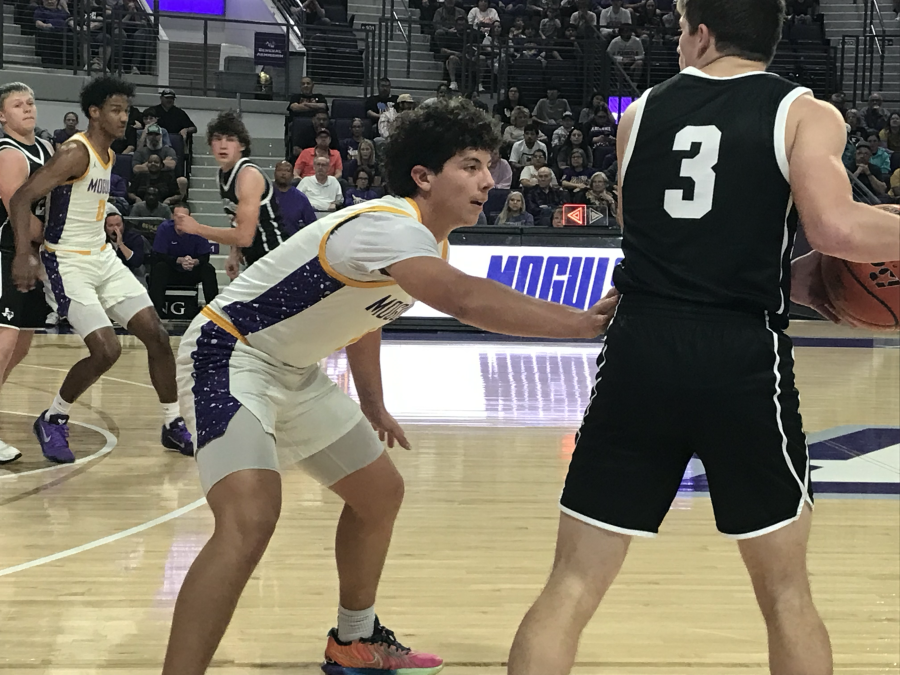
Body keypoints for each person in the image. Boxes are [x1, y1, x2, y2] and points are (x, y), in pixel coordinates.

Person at [507, 0, 900, 673]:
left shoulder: (638, 114)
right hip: (739, 353)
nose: (677, 43)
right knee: (786, 595)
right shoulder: (805, 112)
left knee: (569, 585)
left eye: (681, 29)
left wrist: (790, 276)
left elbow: (668, 239)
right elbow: (835, 228)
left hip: (639, 346)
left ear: (704, 34)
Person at [160, 98, 616, 675]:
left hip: (292, 371)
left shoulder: (426, 241)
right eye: (470, 166)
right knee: (248, 520)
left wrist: (373, 404)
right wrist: (579, 323)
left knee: (379, 493)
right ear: (423, 176)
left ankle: (354, 640)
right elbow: (465, 300)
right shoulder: (387, 225)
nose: (487, 180)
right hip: (230, 353)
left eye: (489, 166)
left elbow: (365, 317)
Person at [9, 75, 193, 463]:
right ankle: (53, 418)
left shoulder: (107, 153)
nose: (124, 117)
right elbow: (21, 198)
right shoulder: (75, 153)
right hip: (67, 262)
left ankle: (172, 422)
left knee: (158, 337)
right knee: (107, 349)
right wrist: (24, 253)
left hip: (101, 256)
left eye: (126, 110)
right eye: (115, 110)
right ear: (94, 113)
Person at [0, 82, 55, 464]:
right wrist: (57, 237)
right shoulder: (9, 153)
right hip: (8, 252)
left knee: (20, 345)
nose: (27, 108)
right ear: (3, 116)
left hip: (32, 255)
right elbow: (18, 213)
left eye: (31, 102)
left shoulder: (46, 149)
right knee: (4, 342)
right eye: (18, 104)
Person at [173, 112, 290, 283]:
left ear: (242, 145)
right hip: (257, 261)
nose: (223, 145)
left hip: (276, 259)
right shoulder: (221, 175)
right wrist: (234, 253)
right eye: (217, 139)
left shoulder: (248, 175)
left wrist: (197, 229)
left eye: (230, 139)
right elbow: (236, 218)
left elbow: (244, 236)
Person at [149, 205, 219, 313]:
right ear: (172, 216)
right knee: (159, 268)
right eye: (178, 216)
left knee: (208, 269)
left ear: (190, 217)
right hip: (171, 270)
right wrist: (179, 260)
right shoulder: (164, 228)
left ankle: (214, 310)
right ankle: (156, 311)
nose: (181, 220)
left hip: (191, 271)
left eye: (184, 217)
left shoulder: (198, 230)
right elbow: (159, 255)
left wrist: (194, 262)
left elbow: (205, 256)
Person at [272, 160, 316, 236]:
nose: (283, 173)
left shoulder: (300, 198)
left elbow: (312, 224)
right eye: (280, 170)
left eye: (287, 171)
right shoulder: (265, 194)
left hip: (292, 239)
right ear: (274, 173)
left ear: (292, 176)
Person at [104, 206, 147, 282]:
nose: (115, 229)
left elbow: (136, 262)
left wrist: (120, 244)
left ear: (123, 225)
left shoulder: (135, 238)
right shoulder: (101, 240)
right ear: (105, 227)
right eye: (111, 225)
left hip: (131, 271)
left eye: (118, 225)